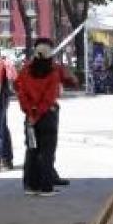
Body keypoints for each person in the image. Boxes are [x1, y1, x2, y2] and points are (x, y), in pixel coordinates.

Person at [14, 38, 78, 196]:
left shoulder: (25, 71)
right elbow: (50, 97)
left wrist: (30, 113)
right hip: (48, 116)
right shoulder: (54, 71)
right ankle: (46, 187)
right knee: (47, 152)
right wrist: (38, 112)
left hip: (30, 118)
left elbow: (20, 93)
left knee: (31, 150)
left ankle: (30, 185)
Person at [0, 54, 14, 171]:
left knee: (1, 129)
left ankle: (4, 159)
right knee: (2, 128)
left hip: (1, 99)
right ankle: (6, 159)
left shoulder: (0, 63)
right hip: (3, 98)